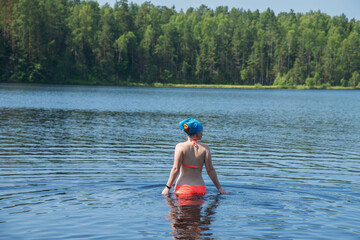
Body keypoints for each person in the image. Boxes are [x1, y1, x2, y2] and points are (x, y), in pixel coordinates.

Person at [161, 118, 228, 196]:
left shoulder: (180, 147)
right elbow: (210, 170)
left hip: (183, 188)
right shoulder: (205, 148)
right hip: (200, 188)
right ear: (197, 133)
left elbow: (176, 169)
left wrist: (167, 188)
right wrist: (219, 188)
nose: (202, 134)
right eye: (201, 132)